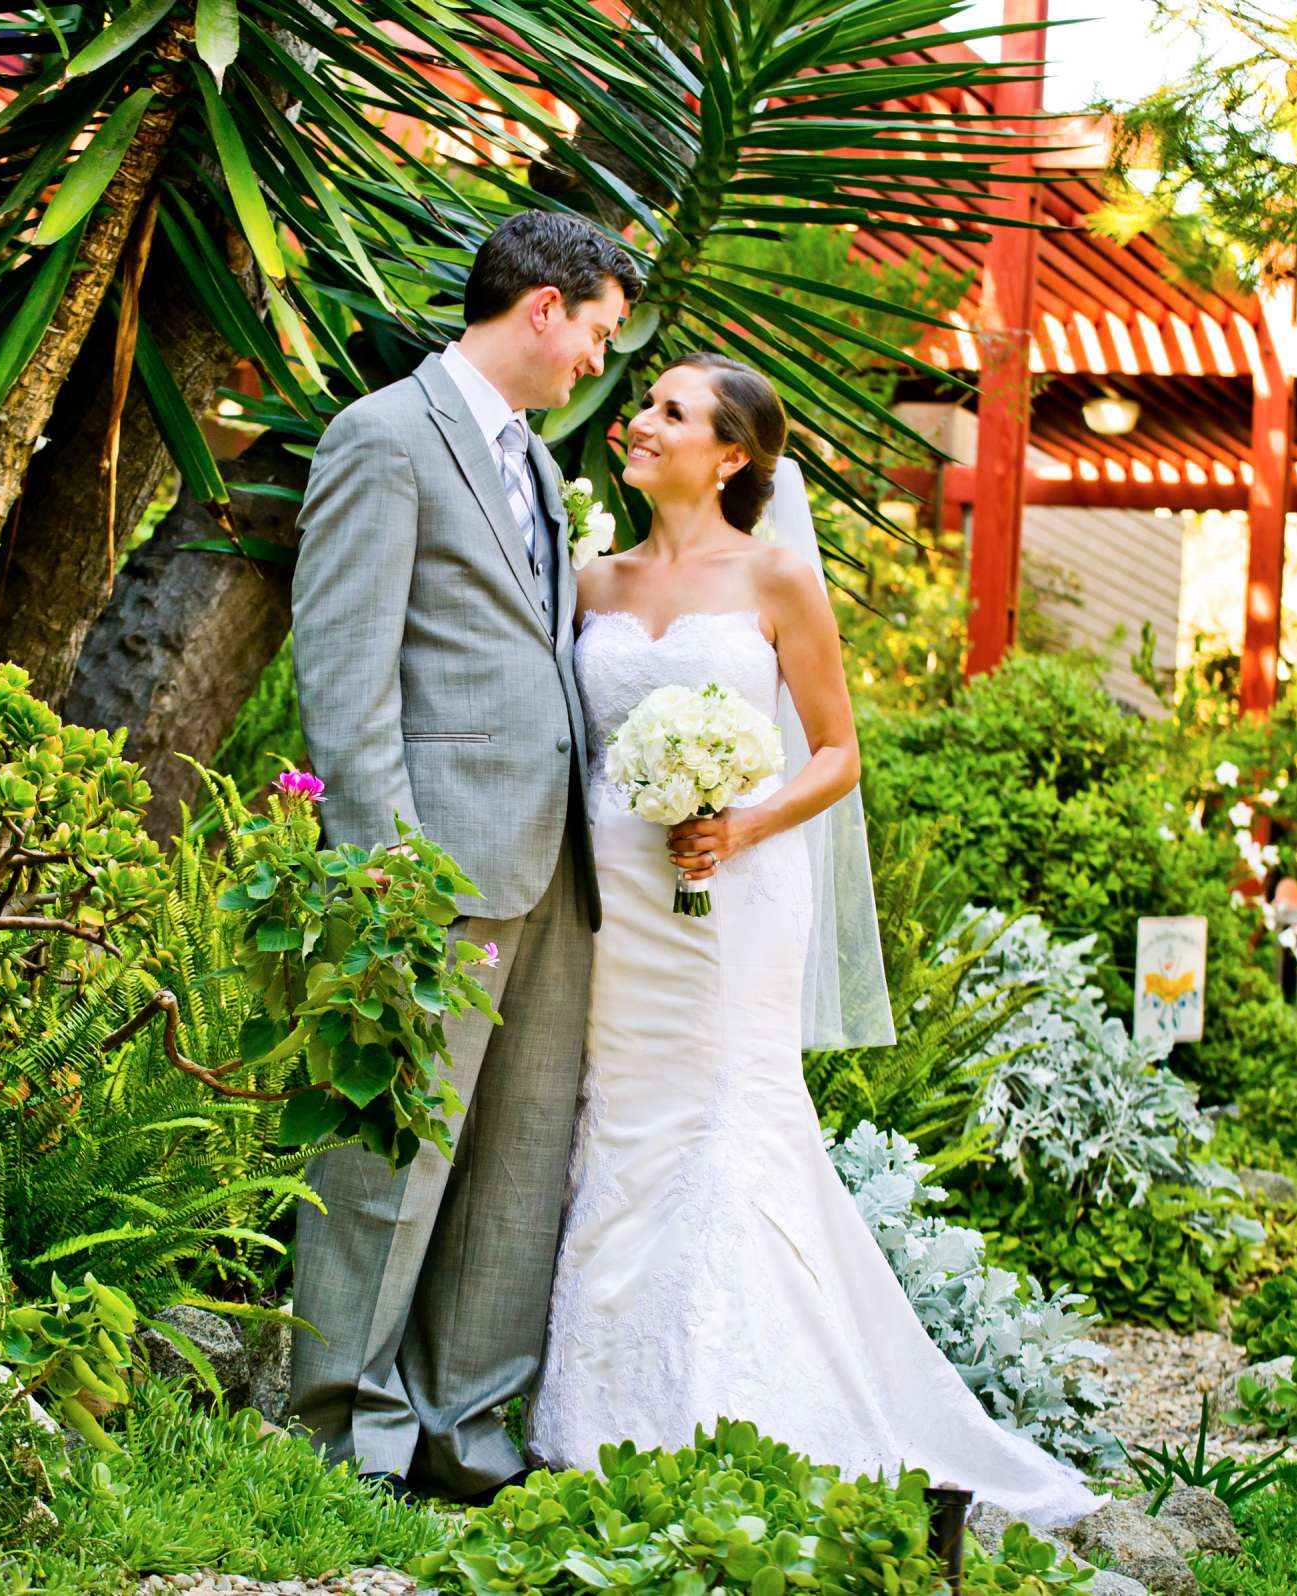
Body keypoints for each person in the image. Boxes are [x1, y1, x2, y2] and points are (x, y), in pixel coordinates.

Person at [526, 353, 1104, 1526]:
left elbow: (838, 753)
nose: (637, 421)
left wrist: (739, 824)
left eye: (670, 413)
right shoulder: (588, 582)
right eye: (644, 403)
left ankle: (734, 1398)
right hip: (617, 899)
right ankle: (597, 1415)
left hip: (736, 896)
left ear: (730, 455)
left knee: (722, 1118)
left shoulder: (780, 578)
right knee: (619, 1117)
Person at [286, 210, 641, 1504]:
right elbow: (344, 672)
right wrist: (387, 865)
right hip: (437, 865)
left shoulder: (539, 469)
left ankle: (463, 1437)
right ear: (542, 311)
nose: (600, 363)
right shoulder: (382, 439)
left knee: (517, 1159)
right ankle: (343, 1438)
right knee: (394, 1155)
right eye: (600, 333)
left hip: (557, 870)